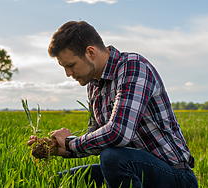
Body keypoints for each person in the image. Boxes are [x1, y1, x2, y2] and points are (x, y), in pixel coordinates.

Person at [27, 20, 198, 188]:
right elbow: (97, 140)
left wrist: (70, 143)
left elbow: (118, 133)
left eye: (71, 65)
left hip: (175, 176)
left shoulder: (133, 67)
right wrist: (60, 148)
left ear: (90, 53)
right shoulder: (94, 85)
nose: (68, 73)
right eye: (63, 67)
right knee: (60, 180)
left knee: (112, 157)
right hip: (133, 168)